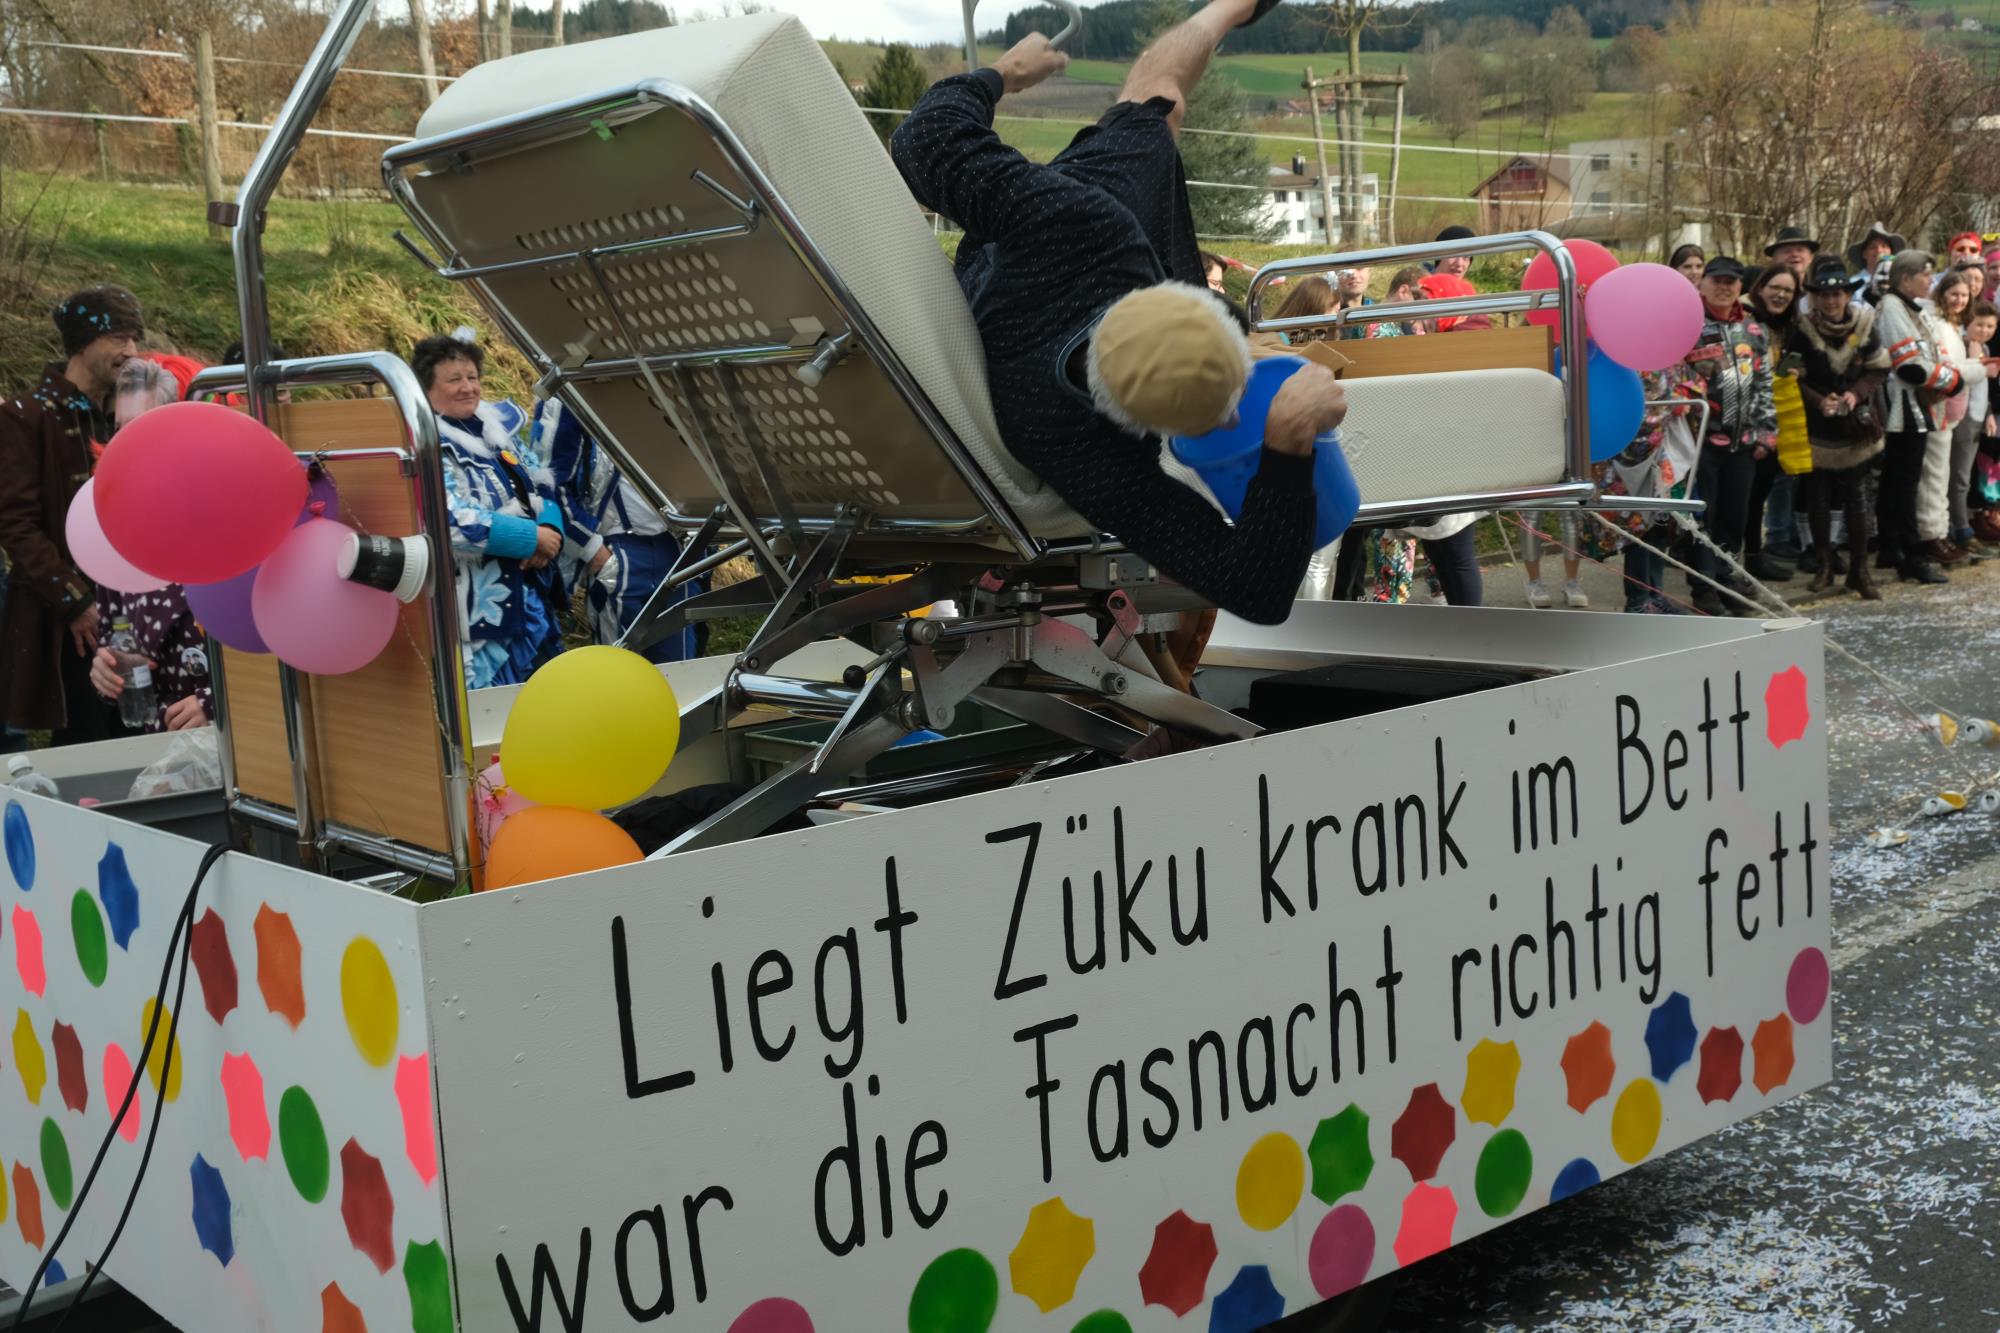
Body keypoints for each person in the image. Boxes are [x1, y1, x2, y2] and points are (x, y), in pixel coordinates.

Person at [889, 1, 1344, 625]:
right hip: (1042, 283)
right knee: (1162, 101)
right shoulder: (1096, 458)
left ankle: (1227, 8)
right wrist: (1287, 440)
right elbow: (1255, 591)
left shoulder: (1086, 226)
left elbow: (923, 138)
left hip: (1036, 258)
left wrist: (1004, 74)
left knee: (1160, 100)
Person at [0, 286, 143, 746]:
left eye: (134, 338)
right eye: (119, 338)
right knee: (87, 745)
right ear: (82, 343)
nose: (131, 352)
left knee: (139, 735)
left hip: (134, 608)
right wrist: (76, 601)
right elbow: (14, 524)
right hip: (66, 620)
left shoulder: (129, 413)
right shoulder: (25, 416)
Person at [417, 332, 583, 688]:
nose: (467, 387)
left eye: (472, 377)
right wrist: (529, 538)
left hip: (531, 595)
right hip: (475, 606)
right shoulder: (424, 442)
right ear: (427, 387)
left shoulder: (496, 429)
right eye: (454, 379)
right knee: (496, 714)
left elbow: (540, 483)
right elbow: (447, 522)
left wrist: (550, 533)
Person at [86, 360, 213, 731]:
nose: (125, 444)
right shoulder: (114, 530)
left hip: (237, 740)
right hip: (156, 741)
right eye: (119, 429)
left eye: (143, 426)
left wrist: (216, 701)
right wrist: (105, 669)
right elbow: (115, 633)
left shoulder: (221, 513)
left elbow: (269, 640)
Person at [535, 397, 707, 662]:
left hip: (677, 548)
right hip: (616, 551)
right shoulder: (568, 396)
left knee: (680, 674)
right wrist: (594, 552)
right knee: (619, 673)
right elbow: (551, 485)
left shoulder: (671, 385)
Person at [1682, 256, 1777, 615]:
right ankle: (1703, 587)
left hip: (1745, 441)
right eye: (1716, 280)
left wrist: (1768, 433)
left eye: (1731, 282)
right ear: (1701, 283)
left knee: (1735, 517)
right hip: (1702, 441)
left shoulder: (1754, 330)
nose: (1724, 287)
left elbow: (1765, 383)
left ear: (1741, 286)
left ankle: (1726, 578)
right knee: (1703, 516)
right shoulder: (1688, 325)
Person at [1794, 258, 1889, 599]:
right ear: (1815, 297)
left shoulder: (1865, 325)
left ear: (1848, 295)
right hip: (1818, 426)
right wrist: (1818, 400)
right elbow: (1788, 375)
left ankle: (1860, 570)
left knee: (1858, 499)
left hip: (1856, 425)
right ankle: (1825, 565)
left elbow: (1879, 369)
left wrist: (1854, 394)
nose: (1832, 300)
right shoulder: (1801, 330)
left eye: (1838, 294)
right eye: (1824, 294)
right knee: (1817, 497)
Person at [1874, 250, 1961, 585]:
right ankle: (1912, 554)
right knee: (1905, 482)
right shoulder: (1893, 307)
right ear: (1905, 278)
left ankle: (1890, 545)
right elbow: (1909, 365)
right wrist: (1952, 381)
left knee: (1898, 480)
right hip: (1904, 406)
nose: (1930, 280)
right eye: (1925, 274)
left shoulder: (1910, 307)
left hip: (1916, 405)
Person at [1741, 265, 1804, 581]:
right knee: (1745, 498)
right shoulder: (1744, 320)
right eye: (1774, 287)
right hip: (1744, 422)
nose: (1780, 295)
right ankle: (1739, 562)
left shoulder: (1788, 326)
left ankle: (1753, 557)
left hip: (1776, 421)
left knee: (1760, 492)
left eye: (1788, 291)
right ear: (1760, 287)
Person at [1915, 270, 1974, 567]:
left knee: (1942, 473)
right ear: (1942, 294)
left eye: (1964, 296)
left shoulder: (1952, 324)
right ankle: (1931, 533)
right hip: (1938, 405)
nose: (1959, 300)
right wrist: (1979, 369)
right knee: (1934, 474)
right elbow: (1949, 368)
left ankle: (1941, 530)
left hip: (1952, 409)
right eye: (1954, 294)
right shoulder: (1936, 324)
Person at [1948, 299, 1996, 555]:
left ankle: (1960, 525)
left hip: (1979, 417)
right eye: (1980, 325)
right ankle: (1960, 529)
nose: (1985, 330)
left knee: (1965, 475)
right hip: (1962, 418)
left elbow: (1985, 387)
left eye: (1990, 326)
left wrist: (1988, 413)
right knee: (1958, 477)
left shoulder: (1985, 349)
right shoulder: (1962, 346)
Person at [1368, 266, 1431, 337]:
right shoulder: (1379, 329)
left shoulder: (1393, 324)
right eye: (1418, 298)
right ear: (1403, 291)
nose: (1423, 308)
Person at [1333, 265, 1375, 340]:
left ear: (1369, 272)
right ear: (1335, 275)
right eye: (1346, 270)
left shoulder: (1377, 312)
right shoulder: (1328, 314)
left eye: (1359, 268)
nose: (1354, 275)